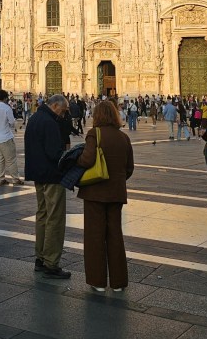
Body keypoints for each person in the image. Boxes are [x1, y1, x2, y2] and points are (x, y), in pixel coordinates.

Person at [76, 100, 134, 292]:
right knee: (115, 235)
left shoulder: (95, 134)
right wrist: (116, 180)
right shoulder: (123, 137)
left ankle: (97, 281)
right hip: (116, 192)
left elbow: (87, 159)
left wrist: (76, 159)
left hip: (95, 193)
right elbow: (129, 168)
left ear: (97, 115)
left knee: (95, 236)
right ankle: (118, 283)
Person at [24, 93, 72, 279]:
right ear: (54, 106)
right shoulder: (50, 122)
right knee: (55, 218)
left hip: (38, 175)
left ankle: (40, 258)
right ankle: (51, 263)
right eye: (63, 110)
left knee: (42, 215)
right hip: (52, 176)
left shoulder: (35, 118)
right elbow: (54, 153)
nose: (64, 114)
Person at [0, 89, 22, 185]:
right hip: (5, 137)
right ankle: (15, 179)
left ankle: (1, 178)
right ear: (4, 98)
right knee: (11, 159)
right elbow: (12, 122)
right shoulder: (6, 108)